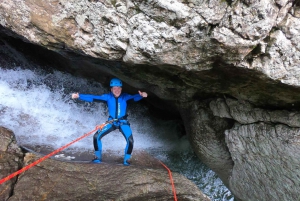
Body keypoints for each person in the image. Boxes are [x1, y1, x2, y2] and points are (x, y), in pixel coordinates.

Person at [71, 78, 148, 166]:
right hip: (111, 122)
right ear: (111, 89)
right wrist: (79, 96)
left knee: (130, 140)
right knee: (96, 136)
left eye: (118, 88)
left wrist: (142, 95)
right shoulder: (107, 97)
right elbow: (93, 97)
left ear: (121, 89)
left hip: (123, 122)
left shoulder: (125, 97)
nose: (117, 90)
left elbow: (135, 97)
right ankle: (97, 158)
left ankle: (126, 160)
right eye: (114, 88)